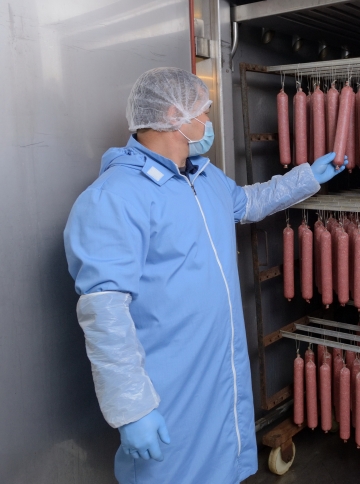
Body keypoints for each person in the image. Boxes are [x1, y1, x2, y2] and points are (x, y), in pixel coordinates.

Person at [63, 67, 345, 484]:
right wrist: (132, 407)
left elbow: (246, 203)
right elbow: (104, 313)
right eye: (205, 111)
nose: (208, 122)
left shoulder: (203, 176)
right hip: (167, 387)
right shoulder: (114, 197)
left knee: (221, 465)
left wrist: (307, 178)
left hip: (217, 370)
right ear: (174, 115)